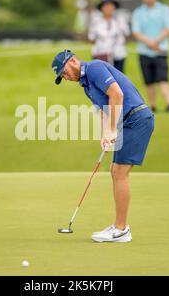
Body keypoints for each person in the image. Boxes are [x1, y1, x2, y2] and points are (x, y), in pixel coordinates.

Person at [51, 49, 155, 243]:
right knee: (116, 171)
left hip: (137, 119)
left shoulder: (94, 69)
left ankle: (121, 229)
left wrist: (113, 130)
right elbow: (104, 110)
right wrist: (105, 135)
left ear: (73, 60)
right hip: (128, 121)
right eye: (61, 77)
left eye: (64, 72)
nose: (65, 77)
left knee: (120, 172)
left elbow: (117, 94)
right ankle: (119, 227)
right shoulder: (86, 85)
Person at [132, 0, 169, 112]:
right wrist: (150, 43)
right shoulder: (138, 12)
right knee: (149, 81)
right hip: (144, 51)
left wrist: (156, 42)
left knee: (163, 77)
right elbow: (136, 31)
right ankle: (152, 106)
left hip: (161, 50)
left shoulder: (164, 9)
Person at [88, 0, 130, 73]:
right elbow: (91, 38)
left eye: (111, 5)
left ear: (114, 7)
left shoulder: (120, 19)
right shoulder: (96, 21)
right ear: (101, 7)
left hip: (118, 53)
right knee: (102, 78)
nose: (108, 8)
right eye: (106, 6)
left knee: (118, 78)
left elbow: (126, 34)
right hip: (101, 54)